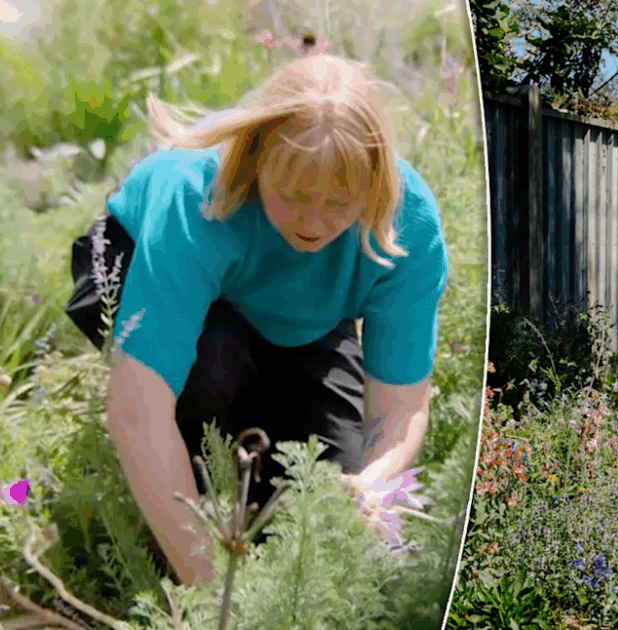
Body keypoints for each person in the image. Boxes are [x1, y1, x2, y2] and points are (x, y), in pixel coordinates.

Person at [63, 51, 448, 586]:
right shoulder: (194, 196)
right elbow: (136, 411)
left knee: (329, 475)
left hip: (298, 305)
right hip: (145, 256)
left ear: (375, 187)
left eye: (340, 204)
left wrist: (374, 484)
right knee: (213, 365)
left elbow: (401, 408)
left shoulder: (409, 223)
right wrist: (211, 589)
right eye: (295, 197)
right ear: (258, 159)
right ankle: (180, 521)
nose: (315, 223)